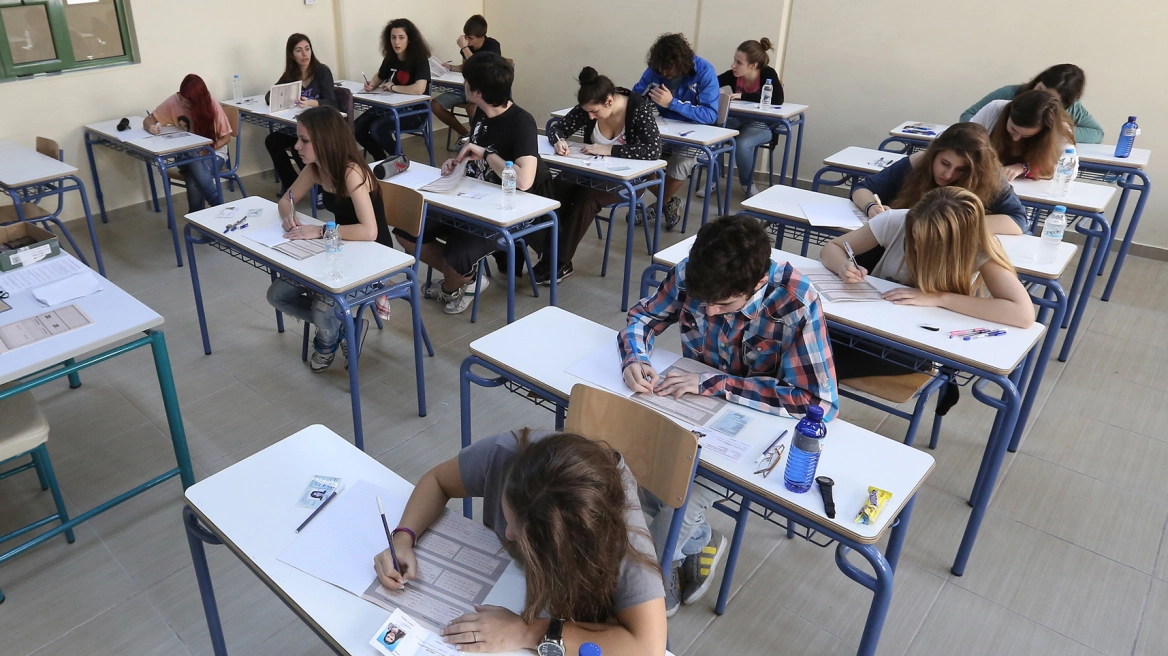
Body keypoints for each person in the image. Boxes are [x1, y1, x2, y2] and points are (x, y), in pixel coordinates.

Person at [618, 214, 838, 615]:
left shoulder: (796, 301)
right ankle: (700, 542)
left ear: (758, 283)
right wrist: (635, 356)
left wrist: (716, 384)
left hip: (753, 428)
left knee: (678, 501)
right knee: (630, 472)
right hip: (687, 410)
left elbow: (817, 402)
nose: (711, 311)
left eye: (724, 304)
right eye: (703, 302)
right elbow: (643, 318)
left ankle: (649, 583)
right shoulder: (695, 272)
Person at [372, 429, 667, 655]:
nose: (509, 535)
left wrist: (529, 631)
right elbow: (438, 480)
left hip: (582, 622)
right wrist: (403, 537)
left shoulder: (618, 529)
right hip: (511, 587)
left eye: (527, 536)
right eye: (510, 516)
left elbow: (649, 647)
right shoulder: (510, 455)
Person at [821, 187, 1035, 384]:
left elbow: (1023, 314)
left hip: (920, 344)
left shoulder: (979, 247)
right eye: (914, 237)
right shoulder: (896, 220)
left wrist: (938, 298)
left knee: (823, 362)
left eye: (931, 244)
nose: (916, 247)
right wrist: (842, 266)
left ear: (958, 243)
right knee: (814, 343)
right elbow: (833, 247)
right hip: (868, 324)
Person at [396, 53, 553, 315]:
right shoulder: (481, 111)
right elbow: (475, 147)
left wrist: (487, 154)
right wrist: (457, 162)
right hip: (470, 196)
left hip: (501, 209)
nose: (463, 85)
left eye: (466, 81)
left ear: (477, 91)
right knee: (406, 230)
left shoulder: (521, 122)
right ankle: (468, 280)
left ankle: (452, 284)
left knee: (455, 257)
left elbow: (524, 180)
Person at [265, 107, 395, 371]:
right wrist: (289, 216)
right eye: (298, 138)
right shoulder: (316, 168)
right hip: (340, 248)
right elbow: (286, 201)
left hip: (374, 255)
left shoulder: (351, 172)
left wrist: (321, 230)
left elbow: (369, 231)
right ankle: (346, 328)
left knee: (323, 309)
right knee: (277, 296)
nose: (296, 146)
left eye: (304, 140)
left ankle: (326, 342)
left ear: (325, 141)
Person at [541, 67, 662, 284]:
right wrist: (558, 141)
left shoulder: (638, 108)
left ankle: (560, 262)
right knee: (555, 189)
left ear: (609, 101)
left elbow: (653, 150)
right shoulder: (591, 104)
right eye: (588, 112)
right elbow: (557, 128)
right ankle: (547, 253)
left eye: (594, 112)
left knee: (586, 199)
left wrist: (609, 149)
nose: (590, 117)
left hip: (627, 179)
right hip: (591, 170)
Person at [852, 123, 1028, 237]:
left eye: (961, 170)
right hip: (900, 244)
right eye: (944, 163)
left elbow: (1018, 221)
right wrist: (871, 207)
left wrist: (951, 223)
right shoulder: (918, 162)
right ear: (934, 154)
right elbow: (862, 188)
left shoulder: (989, 177)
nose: (948, 174)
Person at [631, 33, 720, 231]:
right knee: (636, 154)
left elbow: (710, 114)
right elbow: (635, 97)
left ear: (681, 63)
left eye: (667, 68)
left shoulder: (704, 71)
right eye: (660, 68)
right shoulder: (655, 70)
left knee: (682, 160)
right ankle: (669, 202)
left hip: (695, 133)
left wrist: (672, 103)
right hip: (664, 129)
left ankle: (658, 205)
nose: (663, 72)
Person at [263, 33, 337, 195]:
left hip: (321, 127)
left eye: (307, 49)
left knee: (300, 147)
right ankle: (291, 184)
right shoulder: (291, 75)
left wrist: (310, 103)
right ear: (291, 55)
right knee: (272, 140)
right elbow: (270, 95)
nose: (304, 54)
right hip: (299, 127)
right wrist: (283, 98)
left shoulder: (322, 71)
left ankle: (319, 188)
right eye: (299, 50)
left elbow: (331, 103)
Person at [146, 74, 231, 212]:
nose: (182, 104)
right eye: (181, 99)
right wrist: (151, 127)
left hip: (214, 154)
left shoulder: (211, 105)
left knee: (193, 179)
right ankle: (217, 204)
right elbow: (149, 119)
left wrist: (209, 148)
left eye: (187, 102)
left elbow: (226, 138)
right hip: (185, 156)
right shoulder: (174, 101)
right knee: (192, 154)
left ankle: (196, 219)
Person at [960, 64, 1103, 144]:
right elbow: (967, 116)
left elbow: (1097, 134)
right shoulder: (1008, 94)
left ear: (1064, 103)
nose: (1039, 97)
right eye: (1039, 89)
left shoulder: (1073, 109)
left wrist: (1056, 130)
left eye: (1050, 97)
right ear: (1037, 81)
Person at [355, 19, 432, 161]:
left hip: (415, 112)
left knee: (377, 128)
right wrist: (372, 84)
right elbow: (380, 76)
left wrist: (393, 87)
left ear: (409, 39)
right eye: (393, 37)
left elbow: (419, 89)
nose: (396, 42)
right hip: (390, 107)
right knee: (357, 127)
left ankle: (400, 160)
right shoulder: (391, 57)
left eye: (401, 38)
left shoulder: (419, 58)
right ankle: (380, 159)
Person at [716, 38, 782, 198]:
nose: (733, 65)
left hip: (762, 125)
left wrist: (743, 96)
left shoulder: (767, 74)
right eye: (734, 60)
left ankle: (747, 183)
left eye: (739, 62)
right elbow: (710, 83)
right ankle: (713, 179)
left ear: (753, 65)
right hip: (738, 120)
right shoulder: (733, 75)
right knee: (715, 135)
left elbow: (777, 98)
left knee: (742, 144)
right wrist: (715, 92)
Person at [969, 88, 1075, 181]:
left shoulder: (1060, 129)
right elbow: (965, 141)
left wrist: (1026, 168)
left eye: (1026, 136)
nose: (1016, 138)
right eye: (1013, 129)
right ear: (1009, 113)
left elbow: (1070, 171)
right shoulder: (994, 109)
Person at [431, 14, 502, 144]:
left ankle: (479, 141)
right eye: (466, 37)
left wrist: (464, 48)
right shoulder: (467, 48)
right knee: (435, 105)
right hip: (466, 88)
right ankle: (465, 135)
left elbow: (485, 68)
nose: (467, 41)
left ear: (482, 37)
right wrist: (450, 67)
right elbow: (465, 67)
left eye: (471, 38)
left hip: (485, 90)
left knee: (472, 109)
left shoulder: (492, 45)